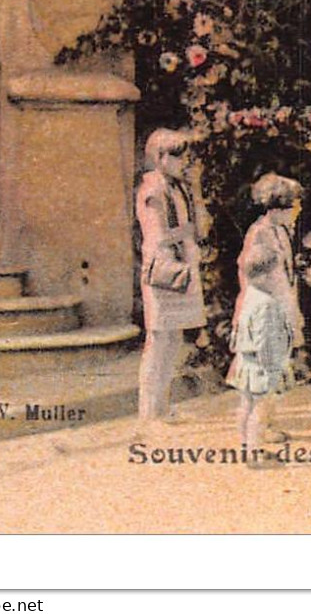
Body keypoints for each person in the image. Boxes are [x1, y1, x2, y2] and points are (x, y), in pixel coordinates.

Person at [135, 128, 208, 426]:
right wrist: (187, 233)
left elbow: (202, 228)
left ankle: (161, 407)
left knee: (174, 339)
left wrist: (198, 192)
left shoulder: (181, 190)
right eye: (176, 156)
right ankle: (148, 411)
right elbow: (158, 234)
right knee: (158, 340)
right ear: (160, 158)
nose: (183, 161)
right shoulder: (152, 190)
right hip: (164, 271)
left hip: (183, 269)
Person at [227, 244, 294, 457]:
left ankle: (246, 445)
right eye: (276, 274)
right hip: (262, 366)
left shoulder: (250, 296)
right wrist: (272, 369)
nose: (278, 279)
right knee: (261, 410)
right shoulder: (267, 304)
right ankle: (254, 450)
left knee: (246, 406)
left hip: (246, 362)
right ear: (265, 276)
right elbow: (264, 340)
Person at [239, 173, 304, 363]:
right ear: (277, 208)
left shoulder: (282, 230)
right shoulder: (260, 231)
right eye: (292, 208)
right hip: (267, 296)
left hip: (283, 293)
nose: (295, 213)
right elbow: (249, 267)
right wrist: (269, 259)